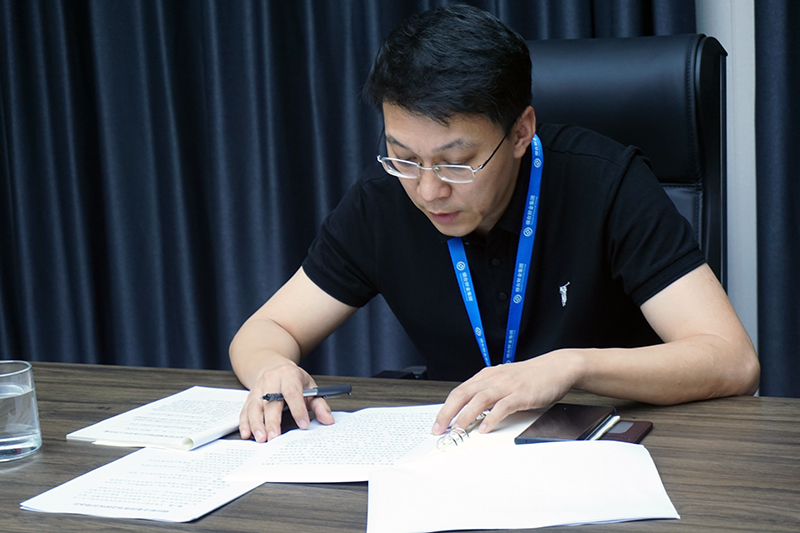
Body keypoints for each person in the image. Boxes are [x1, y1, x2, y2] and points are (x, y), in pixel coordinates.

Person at [229, 4, 759, 443]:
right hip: (464, 450)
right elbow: (267, 329)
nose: (429, 190)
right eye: (404, 157)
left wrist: (572, 367)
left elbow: (732, 361)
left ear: (521, 132)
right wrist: (272, 369)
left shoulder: (607, 184)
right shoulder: (382, 201)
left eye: (457, 163)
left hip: (610, 447)